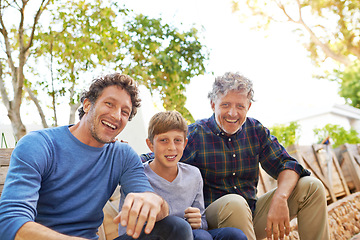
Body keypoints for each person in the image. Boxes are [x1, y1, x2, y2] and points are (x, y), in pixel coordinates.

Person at [0, 73, 192, 240]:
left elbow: (153, 203)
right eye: (109, 104)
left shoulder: (123, 155)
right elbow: (9, 223)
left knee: (175, 228)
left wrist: (156, 202)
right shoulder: (39, 144)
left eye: (125, 112)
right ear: (87, 104)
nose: (117, 115)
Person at [180, 72, 330, 240]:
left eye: (240, 106)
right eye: (225, 105)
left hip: (252, 214)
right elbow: (162, 159)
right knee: (234, 203)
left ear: (248, 107)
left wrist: (280, 198)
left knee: (311, 186)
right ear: (213, 104)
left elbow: (287, 164)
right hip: (213, 223)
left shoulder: (255, 130)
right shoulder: (194, 135)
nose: (232, 113)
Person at [129, 111, 247, 240]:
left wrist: (198, 222)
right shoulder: (139, 176)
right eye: (164, 140)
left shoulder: (193, 174)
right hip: (158, 236)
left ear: (185, 144)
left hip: (192, 234)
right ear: (150, 144)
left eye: (177, 140)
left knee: (235, 235)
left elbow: (202, 224)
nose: (172, 147)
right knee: (200, 236)